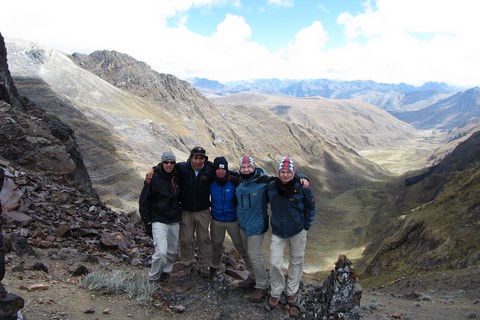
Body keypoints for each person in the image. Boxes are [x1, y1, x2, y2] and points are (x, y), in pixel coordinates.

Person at [236, 155, 309, 303]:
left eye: (248, 166)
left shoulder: (265, 182)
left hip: (257, 226)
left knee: (255, 255)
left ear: (254, 167)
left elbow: (286, 177)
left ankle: (262, 286)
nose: (246, 169)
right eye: (243, 167)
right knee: (248, 254)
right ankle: (255, 278)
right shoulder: (239, 182)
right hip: (243, 225)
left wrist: (302, 176)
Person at [146, 146, 214, 278]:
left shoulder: (209, 170)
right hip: (185, 210)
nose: (198, 161)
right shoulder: (182, 168)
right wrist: (153, 169)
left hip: (203, 211)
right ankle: (187, 264)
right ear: (191, 158)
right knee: (186, 239)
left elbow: (224, 172)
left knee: (204, 238)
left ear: (204, 159)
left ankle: (204, 264)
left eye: (201, 158)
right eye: (196, 158)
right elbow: (166, 166)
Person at [266, 156, 316, 309]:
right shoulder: (272, 186)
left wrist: (306, 226)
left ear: (294, 172)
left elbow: (311, 207)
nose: (285, 174)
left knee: (296, 261)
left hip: (298, 230)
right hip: (278, 231)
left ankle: (291, 291)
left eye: (289, 171)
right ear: (278, 173)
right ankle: (276, 291)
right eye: (282, 171)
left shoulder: (302, 187)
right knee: (274, 262)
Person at [139, 151, 182, 283]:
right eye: (166, 162)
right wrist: (147, 222)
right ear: (162, 162)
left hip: (174, 220)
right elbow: (144, 201)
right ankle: (153, 277)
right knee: (161, 252)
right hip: (158, 220)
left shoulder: (178, 175)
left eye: (172, 162)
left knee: (172, 251)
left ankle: (166, 272)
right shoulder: (153, 178)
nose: (169, 165)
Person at [209, 156, 252, 278]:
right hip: (216, 220)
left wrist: (302, 177)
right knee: (216, 245)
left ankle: (253, 273)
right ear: (215, 170)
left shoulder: (235, 181)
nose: (221, 171)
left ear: (226, 169)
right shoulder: (210, 182)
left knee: (241, 246)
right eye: (218, 169)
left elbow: (252, 179)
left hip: (233, 220)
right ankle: (214, 268)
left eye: (223, 169)